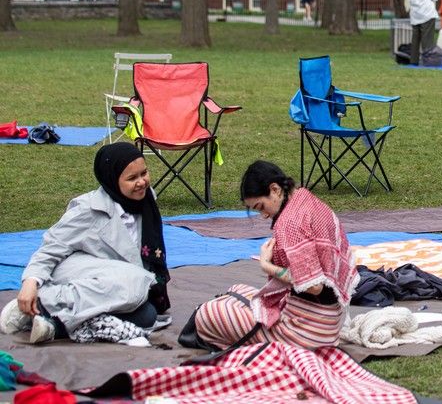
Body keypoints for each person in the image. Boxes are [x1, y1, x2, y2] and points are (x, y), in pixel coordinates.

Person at [1, 142, 171, 344]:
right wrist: (30, 282)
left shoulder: (147, 200)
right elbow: (51, 247)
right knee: (135, 283)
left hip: (115, 281)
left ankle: (54, 325)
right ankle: (44, 303)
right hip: (83, 274)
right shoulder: (88, 210)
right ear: (111, 180)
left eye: (144, 173)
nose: (142, 182)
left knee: (146, 314)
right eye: (132, 178)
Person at [194, 161, 357, 351]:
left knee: (207, 314)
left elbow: (314, 286)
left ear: (275, 189)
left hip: (310, 332)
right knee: (237, 289)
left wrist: (267, 265)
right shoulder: (304, 197)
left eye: (261, 206)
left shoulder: (289, 225)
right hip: (332, 319)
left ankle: (266, 335)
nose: (263, 215)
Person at [407, 0, 438, 66]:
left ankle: (414, 61)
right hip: (427, 14)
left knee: (415, 39)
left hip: (415, 14)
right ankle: (428, 61)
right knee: (427, 40)